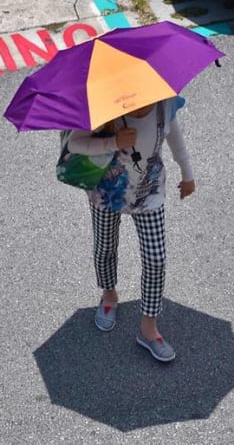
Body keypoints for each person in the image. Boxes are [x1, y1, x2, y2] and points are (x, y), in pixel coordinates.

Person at [67, 97, 195, 362]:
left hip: (149, 193)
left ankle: (149, 328)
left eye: (146, 104)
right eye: (136, 106)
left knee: (156, 259)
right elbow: (74, 143)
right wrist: (113, 142)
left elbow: (176, 140)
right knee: (105, 246)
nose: (141, 109)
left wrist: (188, 174)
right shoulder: (103, 105)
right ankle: (109, 293)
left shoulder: (164, 104)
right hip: (106, 192)